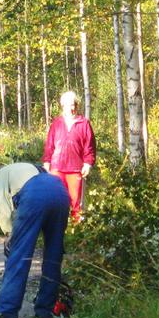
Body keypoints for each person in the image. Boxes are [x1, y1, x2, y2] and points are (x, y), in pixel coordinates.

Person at [0, 163, 70, 318]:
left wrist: (9, 233)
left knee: (19, 255)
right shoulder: (37, 169)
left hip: (35, 195)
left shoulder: (2, 173)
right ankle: (45, 311)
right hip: (61, 192)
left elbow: (4, 206)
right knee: (53, 255)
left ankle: (7, 312)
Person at [42, 90, 96, 221]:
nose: (71, 108)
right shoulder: (56, 123)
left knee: (75, 202)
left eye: (73, 105)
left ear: (77, 106)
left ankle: (75, 232)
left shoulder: (84, 124)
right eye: (68, 105)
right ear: (62, 106)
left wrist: (88, 163)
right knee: (56, 200)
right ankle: (56, 228)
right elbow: (49, 145)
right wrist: (47, 161)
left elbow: (90, 146)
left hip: (75, 169)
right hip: (57, 168)